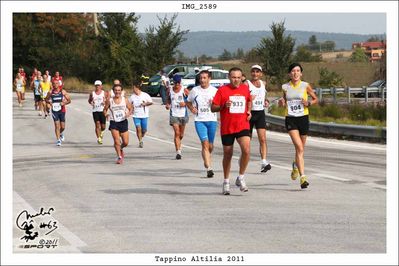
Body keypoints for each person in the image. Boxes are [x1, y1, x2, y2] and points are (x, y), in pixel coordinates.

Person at [211, 67, 252, 195]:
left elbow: (249, 100)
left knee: (246, 150)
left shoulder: (245, 89)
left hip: (242, 125)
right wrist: (224, 106)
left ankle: (241, 176)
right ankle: (226, 181)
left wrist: (249, 111)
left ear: (242, 78)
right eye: (234, 77)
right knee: (228, 154)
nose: (236, 80)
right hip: (227, 127)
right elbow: (213, 107)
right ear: (229, 77)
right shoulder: (222, 90)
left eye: (239, 78)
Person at [279, 63, 318, 189]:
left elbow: (315, 99)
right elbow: (284, 101)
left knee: (301, 149)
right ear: (289, 74)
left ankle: (295, 165)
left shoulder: (305, 85)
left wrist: (309, 103)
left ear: (301, 73)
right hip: (291, 119)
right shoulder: (285, 87)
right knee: (299, 148)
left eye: (298, 71)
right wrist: (282, 102)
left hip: (303, 118)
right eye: (293, 71)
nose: (295, 73)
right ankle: (303, 178)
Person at [187, 70, 218, 178]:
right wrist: (192, 108)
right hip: (199, 120)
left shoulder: (215, 91)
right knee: (204, 144)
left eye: (204, 78)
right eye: (200, 78)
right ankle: (209, 168)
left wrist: (214, 104)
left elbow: (219, 104)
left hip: (212, 120)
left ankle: (208, 157)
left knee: (210, 145)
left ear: (209, 79)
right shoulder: (195, 90)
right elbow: (188, 101)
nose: (202, 80)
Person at [247, 65, 272, 173]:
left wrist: (266, 101)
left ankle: (264, 162)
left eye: (257, 72)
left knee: (263, 139)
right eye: (253, 71)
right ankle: (244, 158)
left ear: (261, 74)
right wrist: (249, 98)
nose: (255, 74)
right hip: (249, 114)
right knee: (247, 140)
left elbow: (264, 95)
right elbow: (242, 96)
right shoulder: (246, 84)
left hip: (260, 113)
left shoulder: (263, 83)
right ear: (251, 73)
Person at [103, 84, 133, 164]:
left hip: (123, 121)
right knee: (117, 141)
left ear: (121, 91)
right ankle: (119, 157)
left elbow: (130, 108)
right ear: (113, 91)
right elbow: (105, 109)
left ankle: (121, 148)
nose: (117, 92)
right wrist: (106, 114)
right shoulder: (110, 100)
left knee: (126, 142)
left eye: (119, 90)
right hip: (114, 122)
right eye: (116, 90)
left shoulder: (125, 100)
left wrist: (128, 114)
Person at [165, 75, 189, 160]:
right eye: (176, 82)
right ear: (173, 82)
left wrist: (185, 103)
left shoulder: (184, 90)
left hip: (183, 114)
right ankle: (178, 152)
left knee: (181, 134)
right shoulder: (170, 90)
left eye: (179, 82)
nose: (177, 84)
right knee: (177, 133)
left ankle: (179, 143)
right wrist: (167, 104)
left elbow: (191, 100)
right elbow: (168, 99)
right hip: (174, 114)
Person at [45, 80, 71, 146]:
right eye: (54, 84)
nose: (55, 85)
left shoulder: (62, 91)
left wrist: (64, 103)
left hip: (62, 110)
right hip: (54, 110)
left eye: (56, 83)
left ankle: (61, 133)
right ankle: (58, 140)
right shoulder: (50, 92)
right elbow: (46, 99)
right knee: (56, 125)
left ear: (59, 84)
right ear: (52, 84)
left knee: (63, 127)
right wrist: (49, 102)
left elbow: (69, 100)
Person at [129, 81, 153, 148]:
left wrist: (145, 104)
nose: (133, 89)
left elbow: (151, 102)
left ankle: (141, 136)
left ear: (137, 88)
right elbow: (129, 104)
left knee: (144, 130)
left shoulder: (145, 95)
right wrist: (129, 110)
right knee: (138, 128)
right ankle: (140, 141)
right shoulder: (132, 97)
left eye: (133, 88)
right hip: (136, 115)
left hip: (144, 115)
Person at [88, 80, 108, 144]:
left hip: (102, 111)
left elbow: (108, 101)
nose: (97, 87)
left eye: (98, 85)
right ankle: (99, 138)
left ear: (101, 86)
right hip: (95, 111)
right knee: (97, 124)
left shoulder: (104, 93)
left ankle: (101, 132)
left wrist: (105, 102)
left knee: (103, 126)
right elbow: (89, 100)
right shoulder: (92, 93)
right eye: (96, 85)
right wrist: (91, 102)